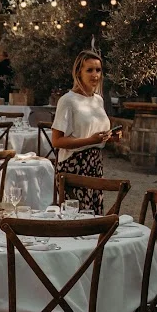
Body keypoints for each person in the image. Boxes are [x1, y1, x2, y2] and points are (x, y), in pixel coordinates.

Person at [50, 50, 114, 211]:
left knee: (95, 215)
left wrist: (110, 137)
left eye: (98, 70)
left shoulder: (98, 100)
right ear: (79, 72)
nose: (95, 75)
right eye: (89, 70)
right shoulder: (68, 101)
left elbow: (95, 133)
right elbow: (57, 141)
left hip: (95, 164)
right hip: (74, 165)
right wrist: (90, 140)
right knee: (77, 219)